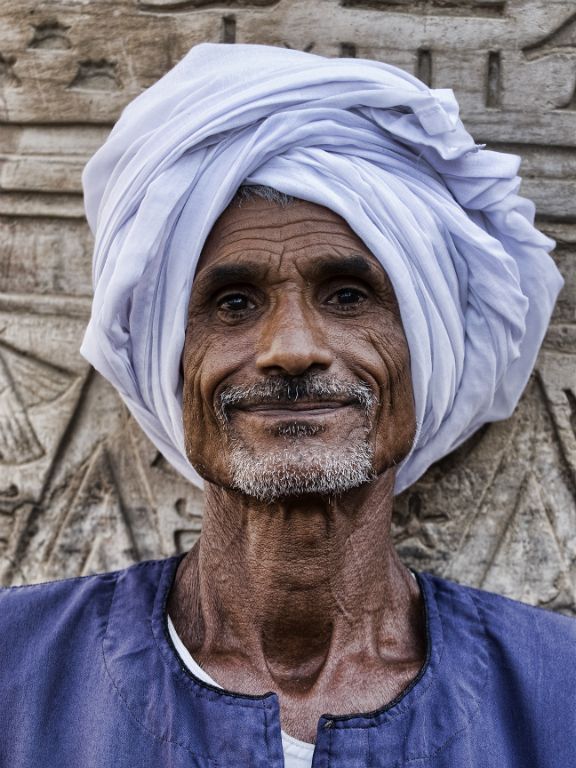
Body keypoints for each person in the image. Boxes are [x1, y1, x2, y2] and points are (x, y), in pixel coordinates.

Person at [0, 43, 574, 768]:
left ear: (424, 347)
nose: (292, 349)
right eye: (233, 303)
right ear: (169, 364)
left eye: (347, 296)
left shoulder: (559, 693)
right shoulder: (17, 670)